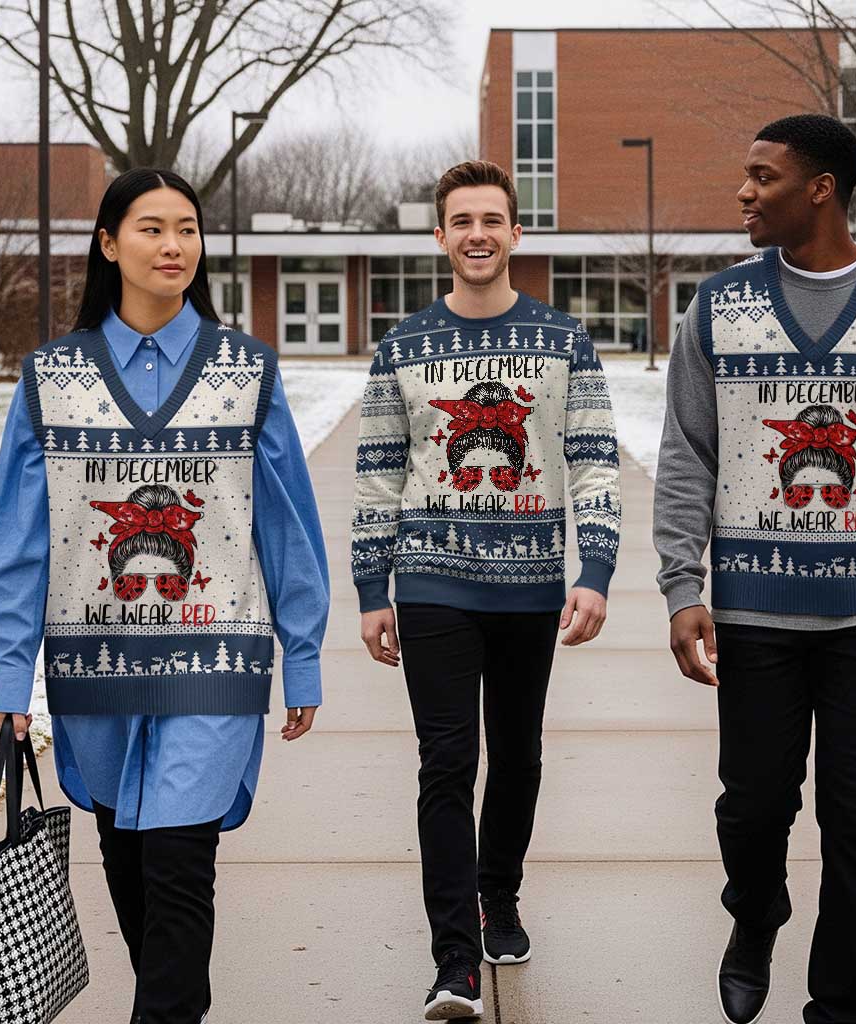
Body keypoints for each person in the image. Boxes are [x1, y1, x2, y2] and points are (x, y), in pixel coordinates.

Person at [654, 113, 856, 1024]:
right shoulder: (719, 306)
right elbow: (688, 452)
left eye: (763, 176)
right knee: (752, 810)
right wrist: (683, 585)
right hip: (755, 611)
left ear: (821, 189)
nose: (744, 192)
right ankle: (754, 914)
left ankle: (841, 1005)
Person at [0, 167, 329, 1024]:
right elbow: (18, 539)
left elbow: (286, 524)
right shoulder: (51, 378)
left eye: (187, 228)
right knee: (129, 862)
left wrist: (305, 655)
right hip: (92, 663)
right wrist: (13, 675)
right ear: (108, 244)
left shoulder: (247, 372)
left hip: (216, 658)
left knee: (180, 865)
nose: (173, 246)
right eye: (151, 228)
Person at [351, 159, 622, 1021]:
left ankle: (497, 895)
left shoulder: (563, 340)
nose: (477, 234)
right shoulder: (401, 347)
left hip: (531, 584)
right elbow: (377, 477)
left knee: (519, 753)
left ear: (515, 233)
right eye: (460, 220)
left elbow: (593, 461)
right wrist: (371, 587)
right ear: (439, 236)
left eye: (491, 220)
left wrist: (597, 570)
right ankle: (454, 961)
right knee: (447, 760)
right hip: (431, 581)